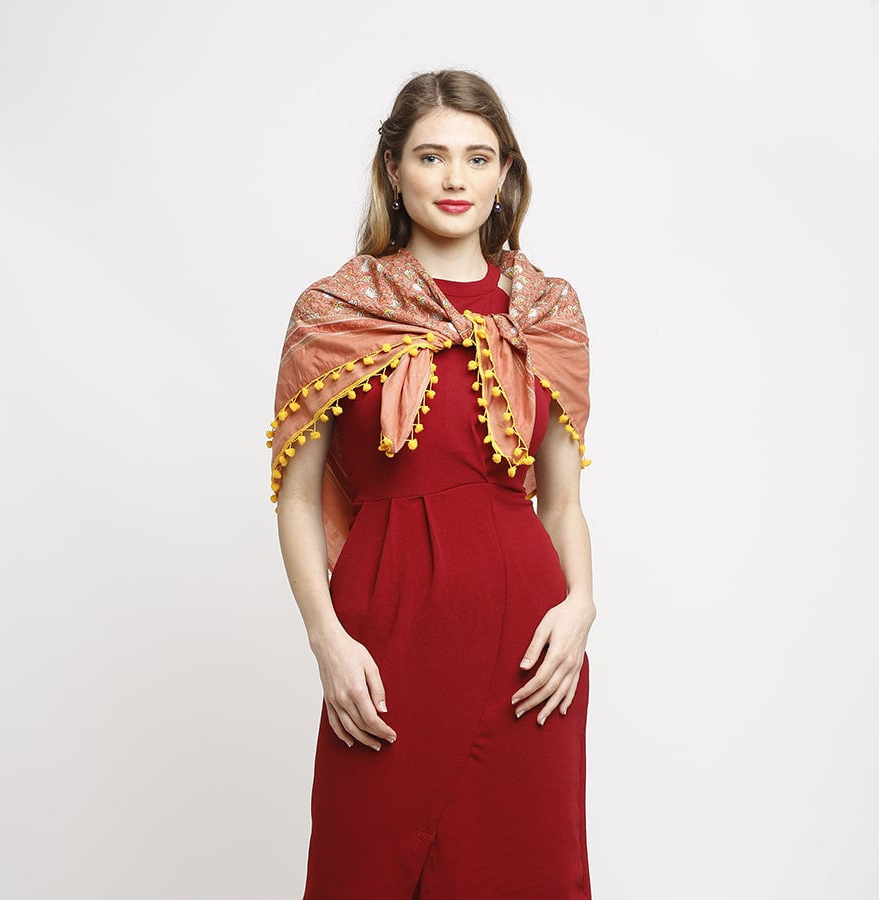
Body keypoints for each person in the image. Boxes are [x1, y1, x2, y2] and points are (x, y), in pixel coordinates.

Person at [266, 68, 596, 899]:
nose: (455, 178)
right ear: (393, 168)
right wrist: (327, 641)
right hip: (387, 638)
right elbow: (298, 497)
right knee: (363, 870)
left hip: (529, 652)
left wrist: (580, 606)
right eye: (431, 156)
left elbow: (561, 502)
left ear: (505, 173)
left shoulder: (548, 311)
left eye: (478, 158)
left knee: (524, 875)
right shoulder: (335, 310)